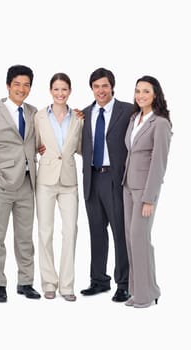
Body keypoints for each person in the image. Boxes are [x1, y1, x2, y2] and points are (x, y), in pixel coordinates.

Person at [0, 65, 41, 302]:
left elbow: (37, 140)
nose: (21, 89)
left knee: (25, 237)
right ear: (8, 85)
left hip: (27, 184)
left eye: (26, 85)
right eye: (17, 84)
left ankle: (25, 282)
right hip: (0, 186)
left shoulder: (34, 113)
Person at [80, 67, 134, 302]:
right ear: (91, 88)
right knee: (96, 232)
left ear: (112, 86)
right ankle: (99, 281)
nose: (100, 90)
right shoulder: (83, 114)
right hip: (92, 178)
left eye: (104, 85)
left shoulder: (128, 111)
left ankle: (124, 283)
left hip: (115, 179)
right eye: (96, 86)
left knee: (120, 232)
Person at [122, 75, 172, 308]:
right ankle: (140, 291)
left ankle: (146, 294)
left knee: (140, 239)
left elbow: (158, 163)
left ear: (155, 95)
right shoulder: (135, 118)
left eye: (146, 91)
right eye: (137, 91)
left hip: (144, 190)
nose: (140, 95)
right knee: (132, 241)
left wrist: (150, 198)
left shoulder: (160, 123)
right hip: (127, 187)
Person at [34, 73, 83, 302]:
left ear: (70, 91)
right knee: (45, 232)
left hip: (69, 181)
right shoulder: (39, 116)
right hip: (45, 179)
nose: (60, 93)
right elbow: (34, 144)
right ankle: (48, 283)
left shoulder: (79, 118)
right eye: (56, 89)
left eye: (64, 89)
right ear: (50, 91)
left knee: (70, 231)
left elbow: (82, 147)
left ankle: (67, 285)